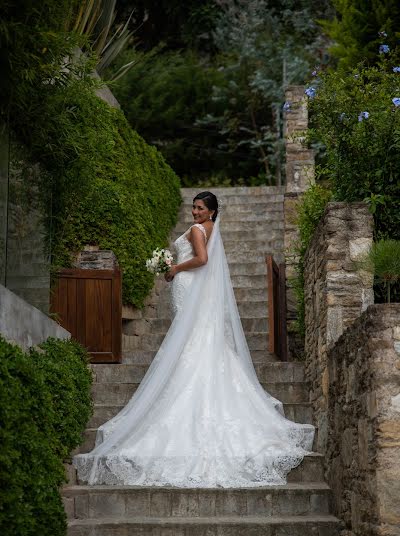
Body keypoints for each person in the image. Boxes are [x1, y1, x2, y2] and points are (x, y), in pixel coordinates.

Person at [73, 191, 314, 487]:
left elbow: (201, 259)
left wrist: (174, 267)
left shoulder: (200, 230)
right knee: (194, 339)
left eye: (200, 208)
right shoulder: (210, 229)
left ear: (211, 212)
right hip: (194, 290)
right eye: (193, 207)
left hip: (188, 285)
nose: (194, 212)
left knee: (189, 341)